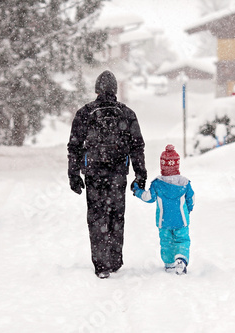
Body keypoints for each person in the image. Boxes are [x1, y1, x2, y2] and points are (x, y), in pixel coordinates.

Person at [67, 70, 147, 279]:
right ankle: (114, 260)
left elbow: (74, 146)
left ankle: (101, 264)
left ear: (96, 89)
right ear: (115, 90)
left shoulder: (85, 112)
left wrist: (73, 174)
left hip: (94, 174)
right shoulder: (127, 113)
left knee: (96, 216)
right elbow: (137, 147)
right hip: (118, 174)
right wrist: (140, 175)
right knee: (115, 216)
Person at [132, 144, 194, 275]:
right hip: (181, 220)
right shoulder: (185, 183)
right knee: (182, 240)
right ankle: (181, 259)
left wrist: (137, 191)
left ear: (162, 165)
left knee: (166, 242)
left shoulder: (157, 184)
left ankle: (169, 263)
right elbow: (191, 199)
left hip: (164, 221)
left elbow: (148, 197)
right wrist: (189, 209)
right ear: (177, 164)